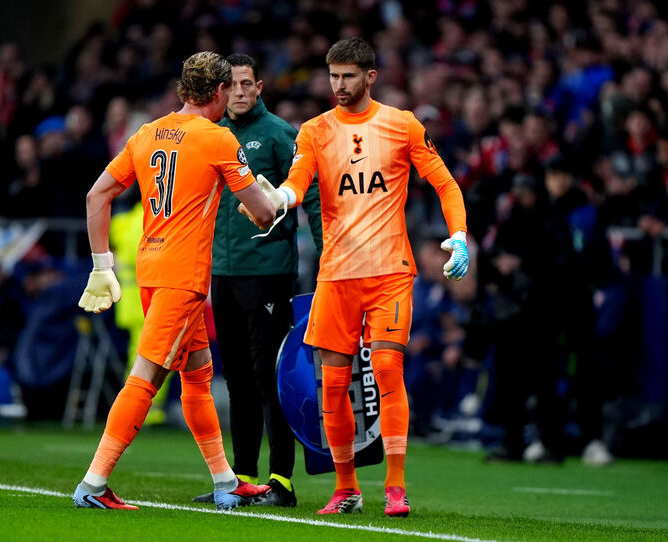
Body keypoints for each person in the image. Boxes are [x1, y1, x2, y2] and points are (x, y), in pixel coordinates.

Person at [239, 38, 469, 517]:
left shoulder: (402, 125)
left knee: (386, 370)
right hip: (337, 274)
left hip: (390, 271)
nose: (338, 85)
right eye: (332, 76)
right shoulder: (316, 130)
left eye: (347, 76)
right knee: (334, 381)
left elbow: (445, 182)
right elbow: (296, 183)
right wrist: (278, 199)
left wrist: (460, 235)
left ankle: (396, 486)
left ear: (370, 77)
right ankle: (346, 488)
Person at [72, 51, 276, 511]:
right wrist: (270, 196)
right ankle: (94, 484)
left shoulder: (146, 133)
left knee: (198, 374)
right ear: (220, 92)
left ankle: (226, 481)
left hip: (150, 270)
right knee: (146, 377)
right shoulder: (218, 139)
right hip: (183, 278)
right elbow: (262, 214)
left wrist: (101, 265)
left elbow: (97, 194)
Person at [192, 54, 323, 507]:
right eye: (234, 85)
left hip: (268, 271)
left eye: (248, 84)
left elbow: (311, 192)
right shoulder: (213, 136)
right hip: (223, 273)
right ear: (222, 90)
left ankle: (281, 480)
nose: (242, 92)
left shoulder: (279, 135)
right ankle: (242, 477)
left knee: (271, 377)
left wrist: (323, 252)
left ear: (260, 87)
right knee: (239, 381)